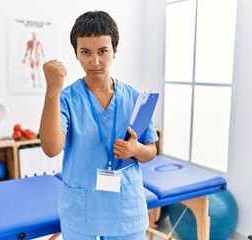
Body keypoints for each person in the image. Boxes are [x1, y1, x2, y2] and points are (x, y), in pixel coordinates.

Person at [40, 10, 158, 240]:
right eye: (85, 52)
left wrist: (136, 150)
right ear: (76, 53)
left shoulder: (135, 98)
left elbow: (151, 151)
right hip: (81, 212)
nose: (94, 61)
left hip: (126, 212)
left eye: (103, 51)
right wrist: (52, 92)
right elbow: (51, 148)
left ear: (114, 51)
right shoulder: (66, 98)